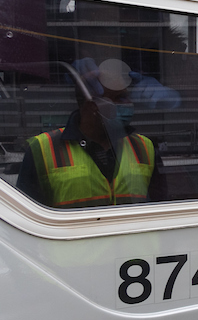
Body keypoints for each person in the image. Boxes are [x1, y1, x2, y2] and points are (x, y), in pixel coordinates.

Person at [18, 58, 166, 209]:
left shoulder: (145, 148)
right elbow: (25, 217)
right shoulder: (41, 150)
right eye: (119, 98)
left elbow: (161, 212)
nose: (129, 103)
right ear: (92, 105)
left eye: (127, 96)